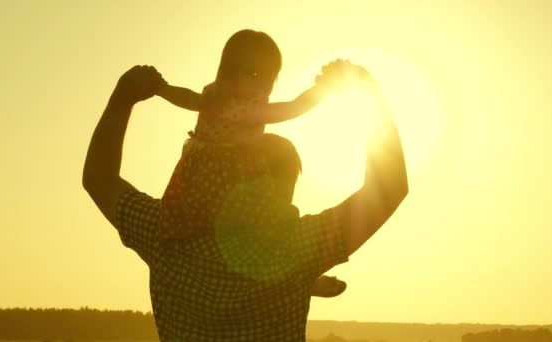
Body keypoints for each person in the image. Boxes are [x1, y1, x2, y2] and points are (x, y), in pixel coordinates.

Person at [82, 29, 408, 341]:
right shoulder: (294, 251)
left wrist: (124, 97)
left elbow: (98, 178)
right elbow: (389, 188)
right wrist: (368, 92)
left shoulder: (166, 234)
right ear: (264, 181)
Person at [149, 29, 345, 297]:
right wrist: (161, 88)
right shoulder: (235, 107)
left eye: (260, 77)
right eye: (232, 72)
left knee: (260, 234)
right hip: (231, 192)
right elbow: (292, 107)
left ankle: (302, 277)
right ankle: (302, 277)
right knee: (272, 227)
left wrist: (161, 89)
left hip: (207, 192)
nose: (245, 82)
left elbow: (187, 98)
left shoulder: (219, 103)